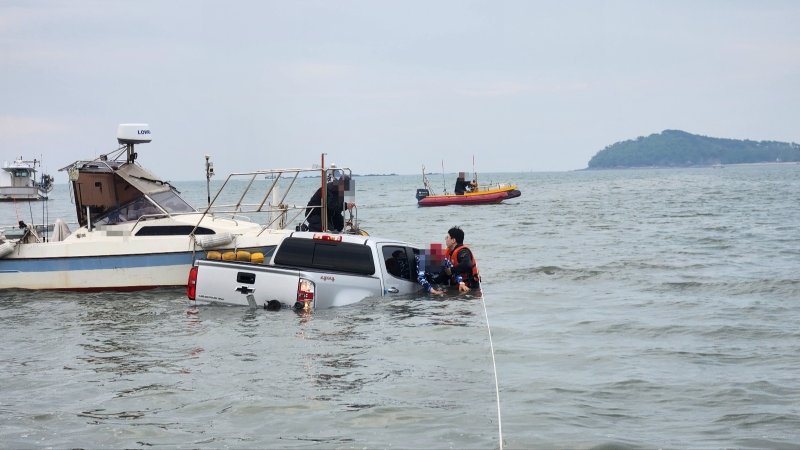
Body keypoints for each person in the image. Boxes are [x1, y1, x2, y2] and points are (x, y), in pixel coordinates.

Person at [443, 226, 480, 293]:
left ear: (453, 240)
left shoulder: (463, 252)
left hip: (469, 289)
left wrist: (450, 270)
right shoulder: (450, 251)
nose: (445, 239)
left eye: (447, 237)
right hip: (456, 286)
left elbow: (467, 264)